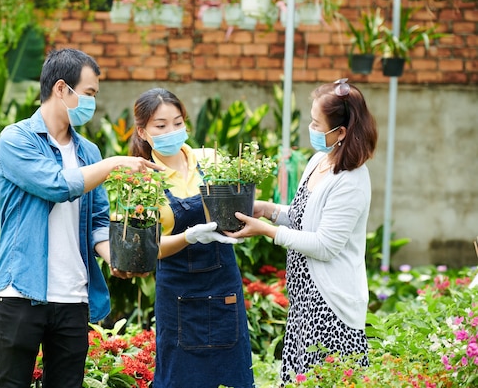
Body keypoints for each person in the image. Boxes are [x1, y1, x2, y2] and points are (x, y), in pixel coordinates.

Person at [0, 48, 162, 388]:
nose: (92, 102)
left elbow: (98, 220)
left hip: (73, 297)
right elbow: (56, 185)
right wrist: (114, 164)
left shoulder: (88, 152)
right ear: (60, 89)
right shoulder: (16, 139)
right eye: (88, 94)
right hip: (21, 292)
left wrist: (117, 256)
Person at [226, 78, 378, 384]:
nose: (310, 127)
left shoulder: (351, 180)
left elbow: (324, 245)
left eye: (315, 122)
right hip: (304, 300)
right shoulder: (319, 161)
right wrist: (268, 209)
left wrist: (267, 231)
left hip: (331, 306)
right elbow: (302, 217)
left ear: (341, 132)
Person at [129, 87, 255, 388]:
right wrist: (189, 236)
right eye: (160, 126)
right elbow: (151, 249)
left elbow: (238, 205)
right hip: (178, 293)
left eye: (177, 123)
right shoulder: (142, 178)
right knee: (179, 376)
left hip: (223, 283)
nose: (171, 131)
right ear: (143, 132)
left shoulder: (209, 160)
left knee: (232, 373)